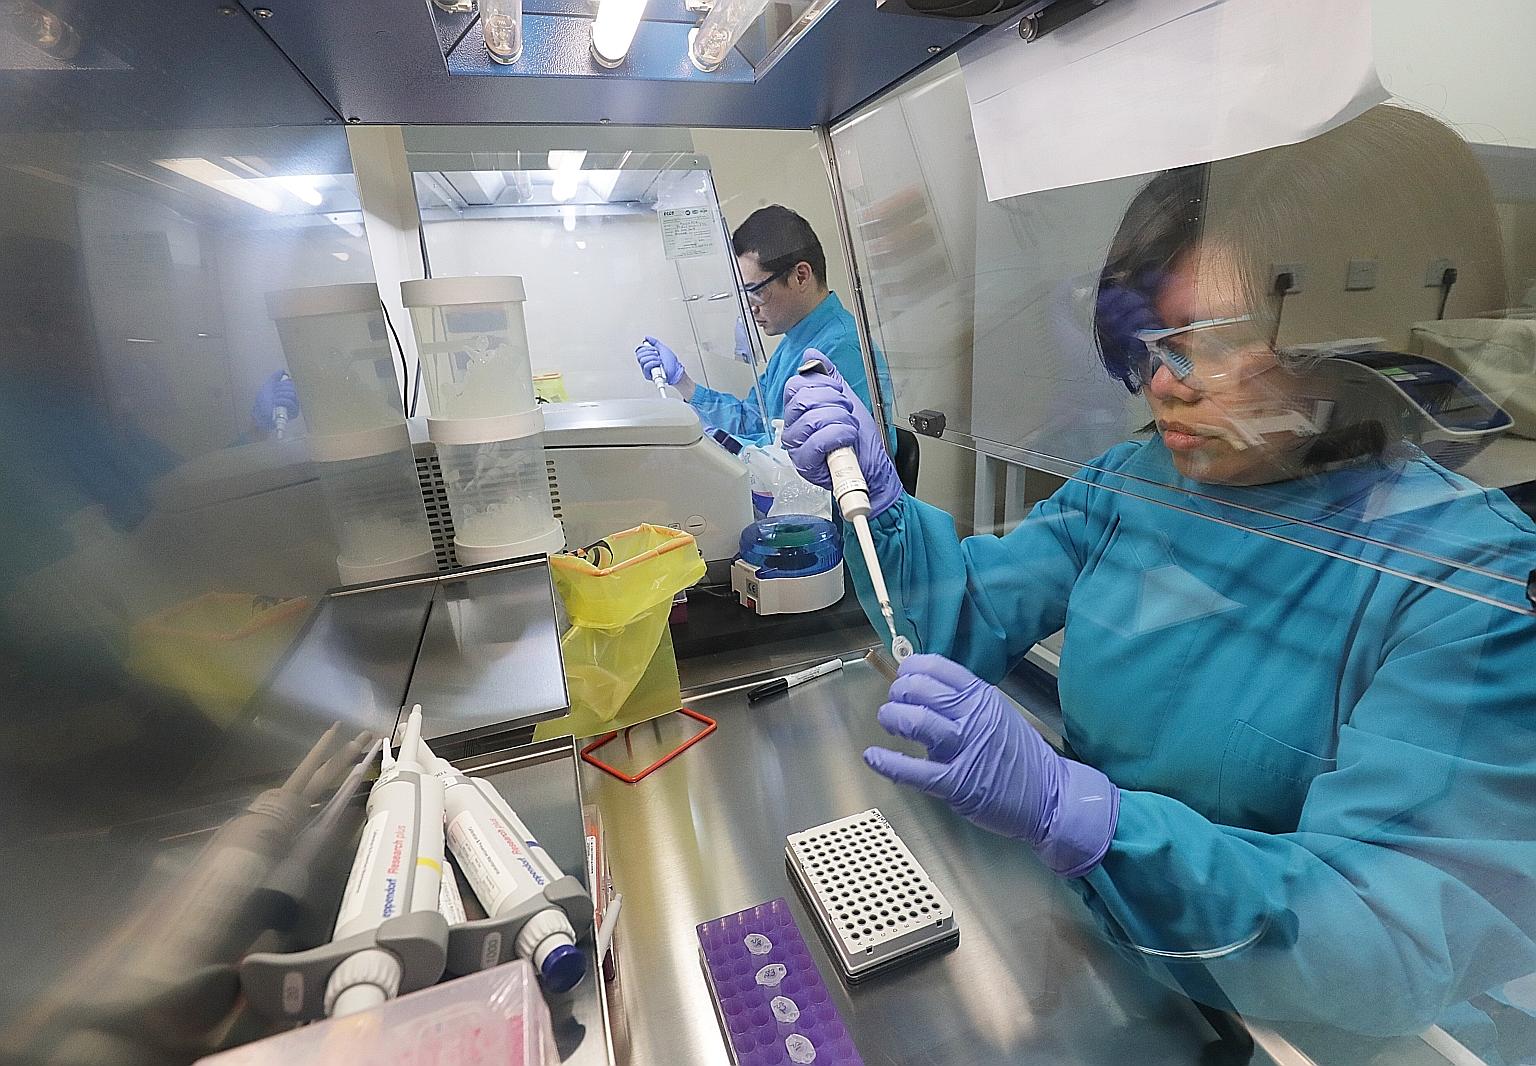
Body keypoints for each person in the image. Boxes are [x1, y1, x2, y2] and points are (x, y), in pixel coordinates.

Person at [780, 105, 1536, 1055]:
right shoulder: (1138, 483)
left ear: (1362, 339)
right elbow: (958, 622)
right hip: (1111, 950)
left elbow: (1383, 936)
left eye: (1206, 338)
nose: (1162, 383)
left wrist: (1087, 818)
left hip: (1286, 1024)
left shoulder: (1472, 582)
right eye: (1148, 343)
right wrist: (879, 507)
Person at [635, 204, 881, 447]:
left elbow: (800, 457)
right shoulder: (793, 344)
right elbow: (753, 419)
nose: (752, 309)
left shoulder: (843, 349)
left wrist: (719, 442)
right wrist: (683, 382)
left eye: (757, 291)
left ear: (801, 276)